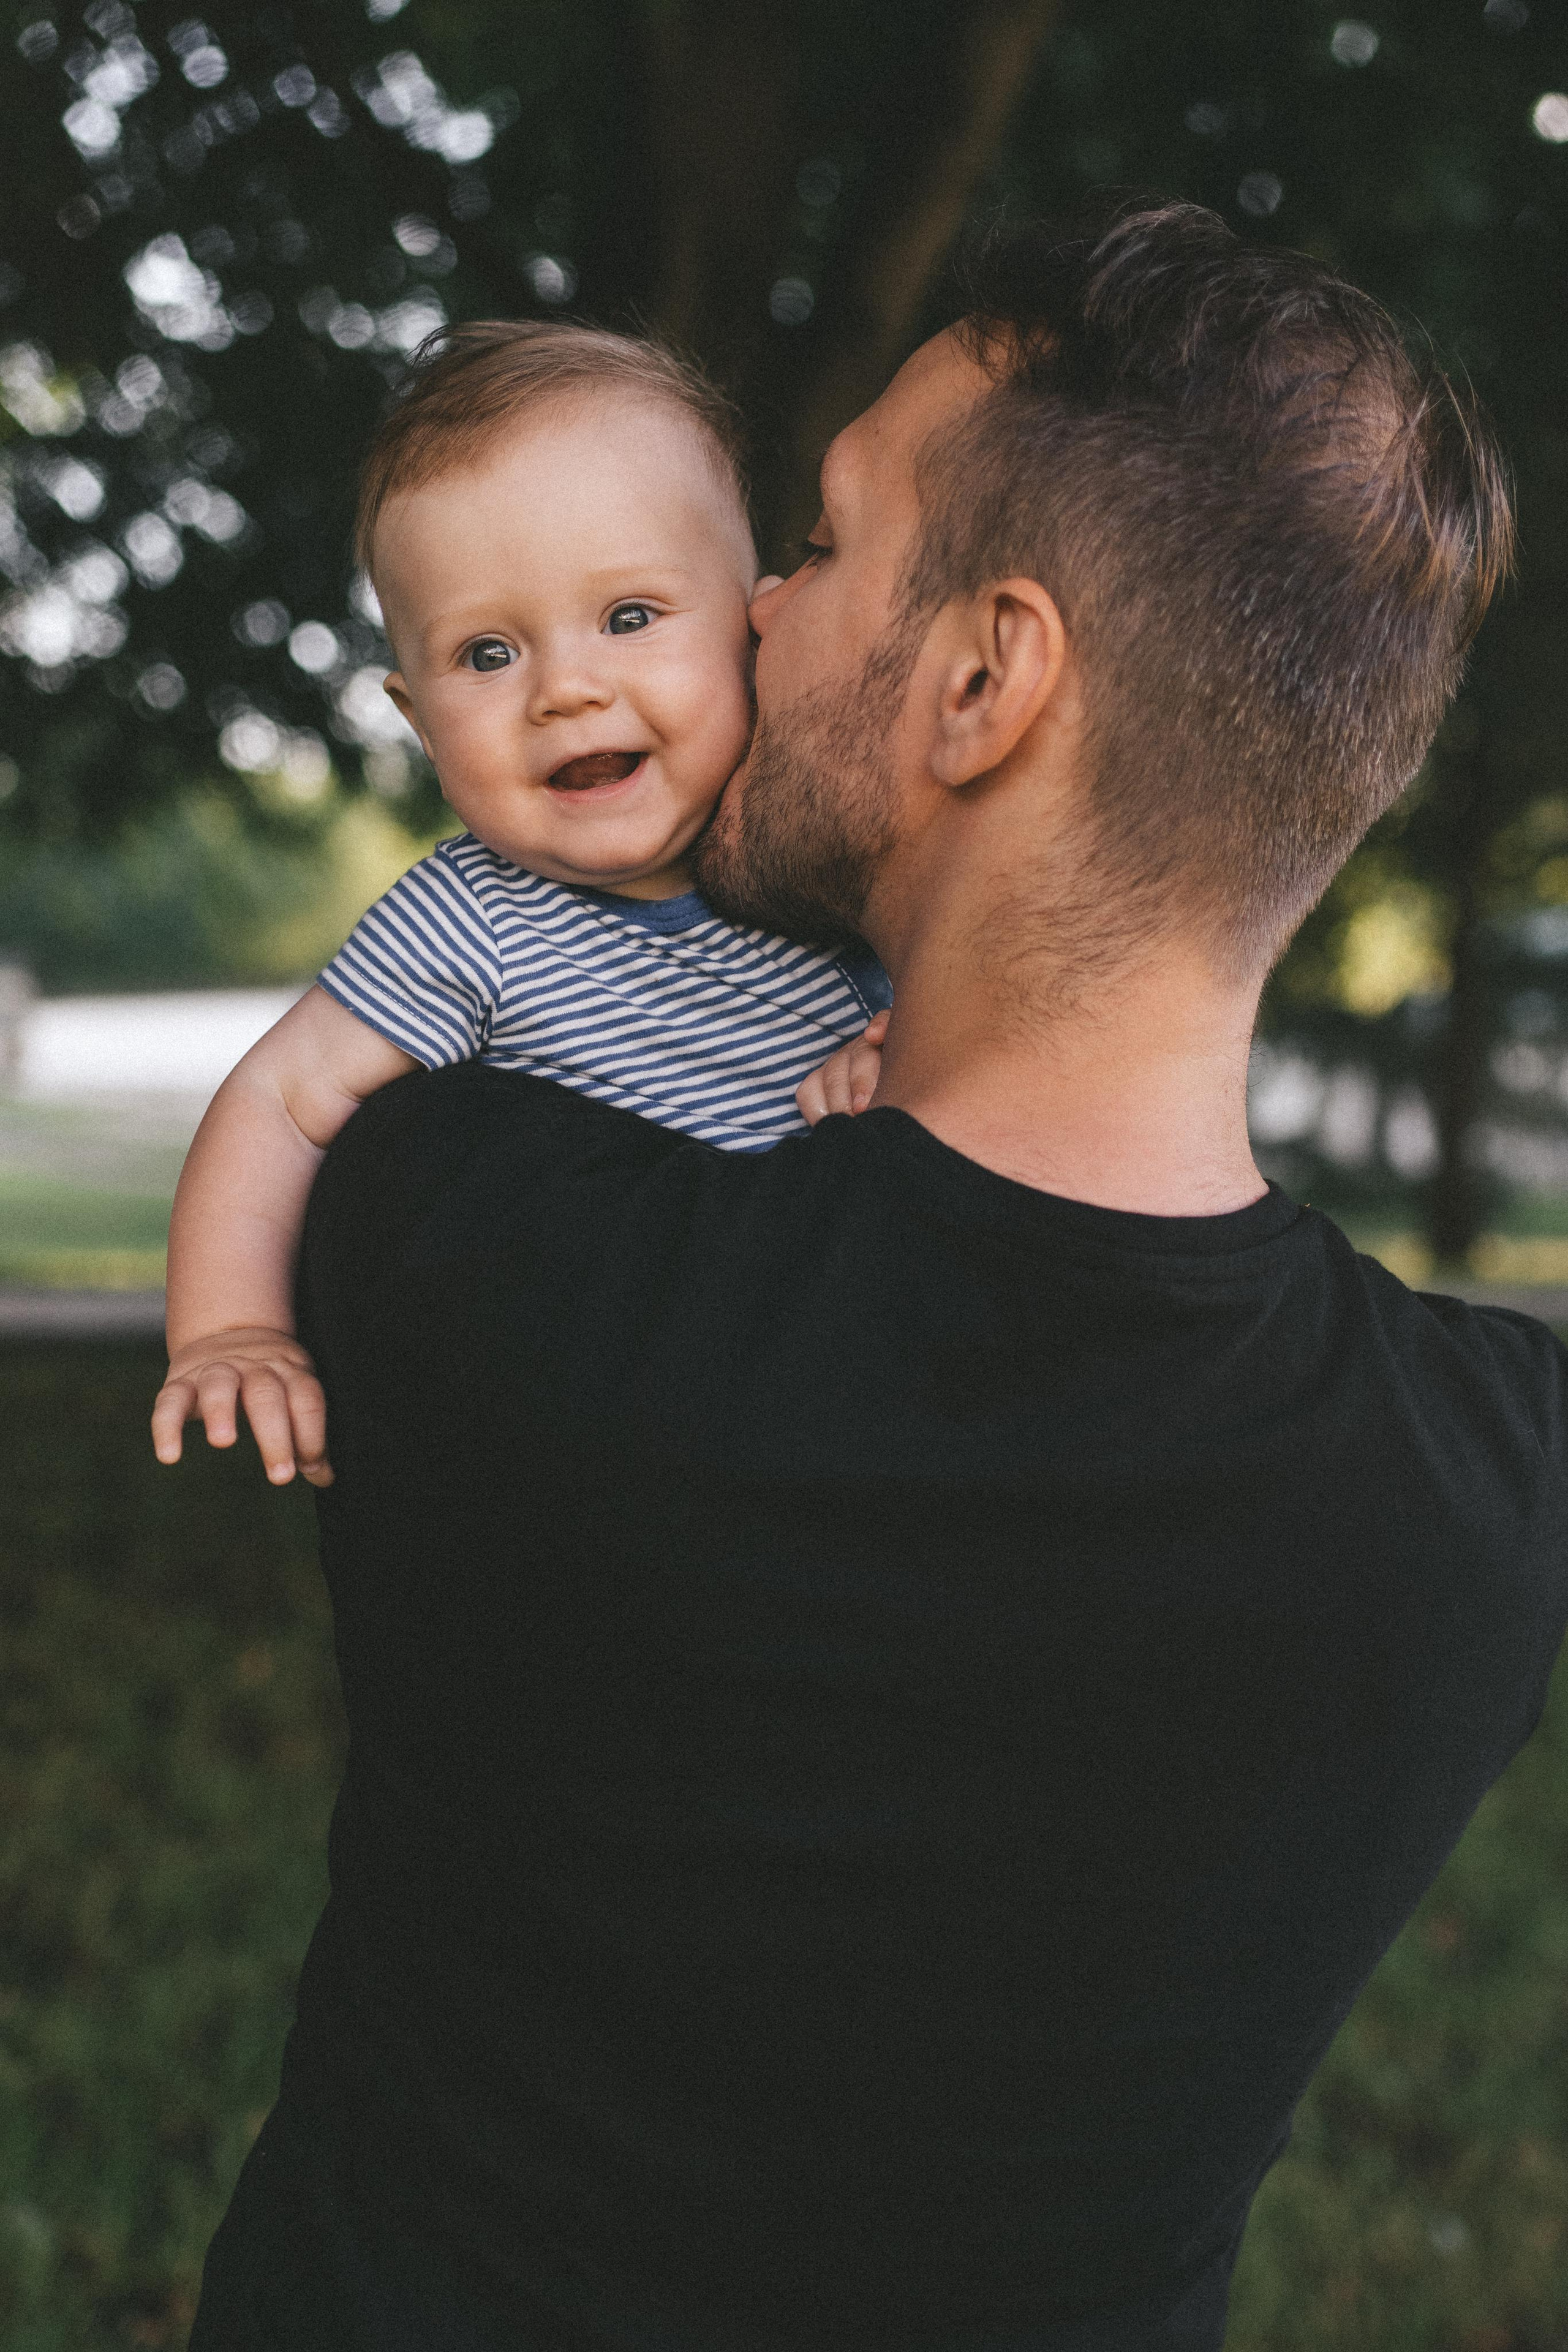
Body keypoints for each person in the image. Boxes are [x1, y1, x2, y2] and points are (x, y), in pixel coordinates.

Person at [189, 200, 1568, 2352]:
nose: (756, 605)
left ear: (985, 680)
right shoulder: (1489, 1502)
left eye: (819, 546)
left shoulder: (469, 1227)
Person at [150, 322, 888, 1490]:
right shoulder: (472, 919)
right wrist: (232, 1329)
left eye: (631, 617)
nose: (566, 689)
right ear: (417, 716)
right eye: (487, 654)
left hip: (847, 1403)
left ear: (758, 621)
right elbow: (280, 1104)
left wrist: (912, 1053)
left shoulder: (829, 870)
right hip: (614, 1425)